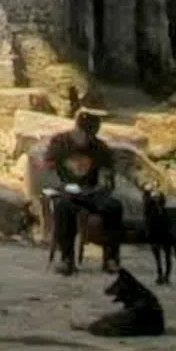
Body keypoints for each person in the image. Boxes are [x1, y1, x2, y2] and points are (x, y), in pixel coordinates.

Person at [45, 110, 122, 274]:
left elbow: (108, 173)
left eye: (91, 134)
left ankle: (111, 258)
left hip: (91, 191)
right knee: (62, 207)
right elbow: (48, 167)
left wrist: (105, 183)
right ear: (76, 129)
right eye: (84, 134)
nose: (87, 139)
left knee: (114, 207)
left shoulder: (99, 147)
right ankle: (67, 258)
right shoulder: (60, 142)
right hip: (66, 189)